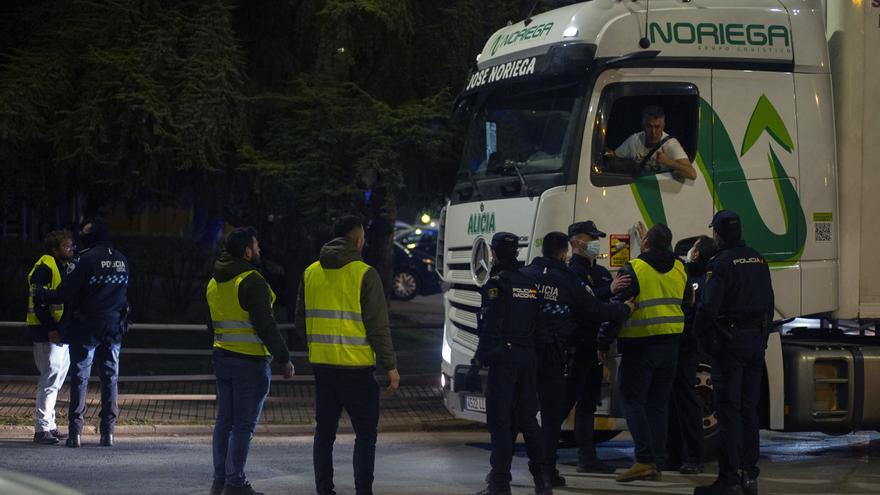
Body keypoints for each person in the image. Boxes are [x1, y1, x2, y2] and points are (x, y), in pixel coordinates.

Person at [295, 215, 399, 495]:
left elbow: (299, 321)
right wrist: (390, 366)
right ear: (358, 239)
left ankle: (324, 490)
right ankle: (363, 491)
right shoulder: (365, 273)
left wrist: (316, 348)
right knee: (366, 435)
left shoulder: (311, 272)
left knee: (324, 433)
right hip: (356, 369)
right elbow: (378, 326)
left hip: (323, 368)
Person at [522, 232, 633, 486]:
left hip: (526, 354)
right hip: (557, 355)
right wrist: (624, 309)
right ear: (564, 251)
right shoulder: (568, 279)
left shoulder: (527, 275)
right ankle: (545, 470)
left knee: (523, 414)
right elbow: (595, 310)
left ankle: (508, 473)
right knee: (551, 417)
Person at [597, 223, 688, 482]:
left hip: (641, 345)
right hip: (671, 346)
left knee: (632, 400)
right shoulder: (680, 267)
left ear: (645, 242)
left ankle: (645, 460)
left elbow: (617, 308)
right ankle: (656, 461)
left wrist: (603, 343)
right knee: (658, 404)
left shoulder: (634, 268)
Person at [207, 226, 294, 495]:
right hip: (250, 363)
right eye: (256, 247)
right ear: (246, 251)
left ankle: (220, 480)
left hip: (222, 357)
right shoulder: (252, 280)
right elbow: (266, 324)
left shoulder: (215, 281)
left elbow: (211, 324)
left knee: (224, 422)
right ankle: (235, 483)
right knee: (243, 426)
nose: (259, 250)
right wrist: (284, 358)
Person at [693, 211, 774, 495]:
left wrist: (702, 338)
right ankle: (750, 475)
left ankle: (728, 479)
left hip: (731, 344)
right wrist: (762, 340)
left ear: (717, 234)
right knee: (749, 411)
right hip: (755, 342)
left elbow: (708, 308)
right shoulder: (758, 258)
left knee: (729, 411)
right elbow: (769, 304)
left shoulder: (721, 263)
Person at [469, 232, 552, 495]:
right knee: (528, 420)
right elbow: (540, 326)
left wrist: (479, 360)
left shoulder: (497, 284)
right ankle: (543, 481)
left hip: (504, 361)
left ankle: (500, 484)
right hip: (527, 358)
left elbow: (491, 326)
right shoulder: (530, 282)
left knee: (501, 423)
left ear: (493, 253)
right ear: (516, 252)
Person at [35, 219, 130, 449]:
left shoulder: (86, 259)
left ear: (93, 235)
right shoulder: (122, 260)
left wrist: (42, 294)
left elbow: (65, 292)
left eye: (84, 232)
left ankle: (75, 434)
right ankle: (108, 433)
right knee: (110, 379)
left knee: (80, 378)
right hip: (114, 327)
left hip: (87, 327)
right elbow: (126, 296)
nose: (80, 236)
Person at [565, 220, 632, 473]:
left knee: (587, 404)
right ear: (575, 242)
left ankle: (587, 457)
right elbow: (586, 303)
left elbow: (604, 301)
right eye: (589, 238)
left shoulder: (602, 271)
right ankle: (546, 458)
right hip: (575, 347)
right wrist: (609, 289)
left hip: (595, 348)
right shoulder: (572, 272)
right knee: (564, 403)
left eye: (596, 238)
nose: (595, 243)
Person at [666, 236, 717, 476]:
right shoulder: (685, 273)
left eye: (694, 248)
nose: (690, 252)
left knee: (688, 404)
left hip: (690, 348)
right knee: (673, 404)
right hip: (678, 345)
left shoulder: (705, 280)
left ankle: (694, 457)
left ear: (698, 254)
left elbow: (699, 314)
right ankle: (673, 455)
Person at [26, 229, 74, 445]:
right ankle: (42, 429)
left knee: (55, 379)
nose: (70, 249)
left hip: (58, 331)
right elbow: (38, 302)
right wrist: (50, 328)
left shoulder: (58, 266)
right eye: (66, 246)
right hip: (48, 332)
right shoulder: (45, 266)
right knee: (50, 379)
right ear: (55, 249)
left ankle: (50, 425)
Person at [612, 105, 697, 180]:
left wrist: (669, 162)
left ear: (663, 126)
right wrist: (628, 165)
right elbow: (614, 159)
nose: (653, 132)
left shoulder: (670, 144)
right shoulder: (635, 140)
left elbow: (692, 174)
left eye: (657, 127)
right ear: (643, 125)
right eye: (649, 126)